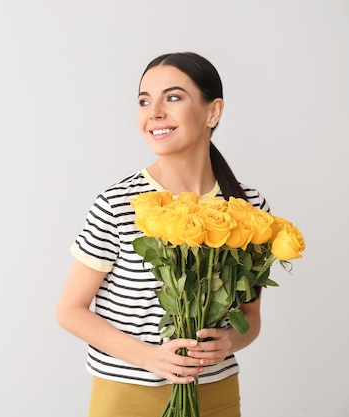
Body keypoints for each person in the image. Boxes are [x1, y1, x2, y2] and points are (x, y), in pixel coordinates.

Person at [55, 52, 270, 417]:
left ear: (213, 112)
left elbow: (250, 317)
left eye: (172, 97)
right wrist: (150, 358)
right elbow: (70, 311)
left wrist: (228, 341)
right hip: (126, 396)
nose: (153, 112)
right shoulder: (120, 203)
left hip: (215, 395)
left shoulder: (248, 208)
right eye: (144, 100)